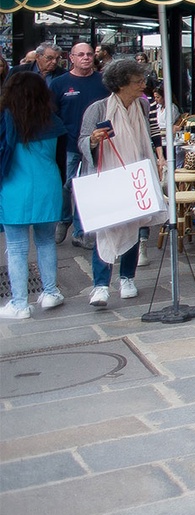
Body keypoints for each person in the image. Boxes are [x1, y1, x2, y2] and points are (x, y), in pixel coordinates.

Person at [79, 59, 165, 307]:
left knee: (134, 224)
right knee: (105, 227)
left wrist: (158, 159)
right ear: (121, 84)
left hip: (136, 174)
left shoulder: (143, 105)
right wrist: (94, 140)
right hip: (108, 176)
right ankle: (101, 285)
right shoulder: (99, 109)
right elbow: (83, 141)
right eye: (138, 81)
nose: (143, 85)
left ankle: (127, 277)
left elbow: (153, 133)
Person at [0, 72, 66, 318]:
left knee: (16, 248)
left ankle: (19, 304)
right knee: (46, 241)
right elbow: (61, 158)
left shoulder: (6, 120)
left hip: (14, 188)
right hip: (48, 186)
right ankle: (50, 292)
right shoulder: (52, 120)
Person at [51, 41, 110, 248]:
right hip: (69, 145)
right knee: (67, 187)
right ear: (72, 58)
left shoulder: (104, 82)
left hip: (97, 146)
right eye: (81, 54)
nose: (86, 57)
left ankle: (80, 232)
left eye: (89, 54)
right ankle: (64, 218)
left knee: (85, 189)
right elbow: (52, 115)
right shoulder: (59, 84)